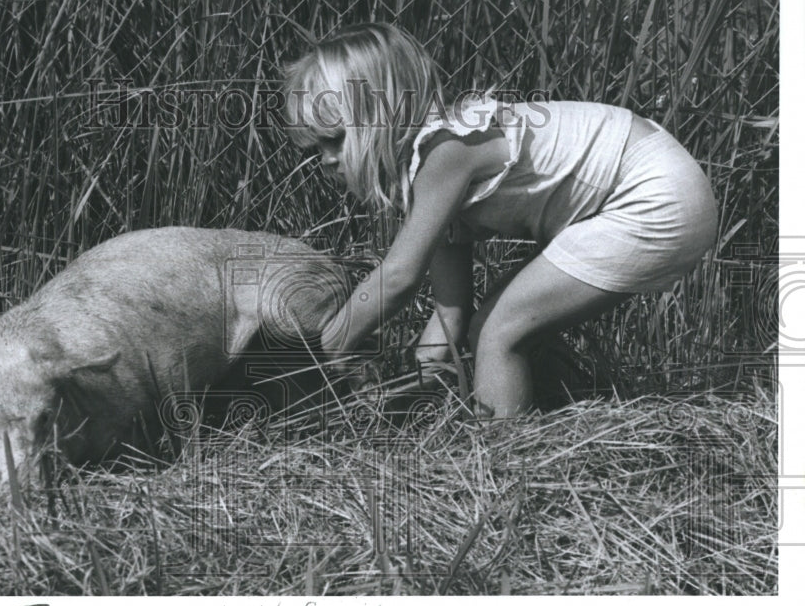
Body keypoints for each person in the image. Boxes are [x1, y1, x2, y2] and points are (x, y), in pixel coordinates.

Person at [282, 23, 718, 417]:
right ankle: (551, 408)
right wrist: (415, 385)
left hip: (655, 194)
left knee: (498, 330)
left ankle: (503, 469)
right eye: (315, 149)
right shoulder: (431, 177)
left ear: (379, 117)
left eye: (335, 139)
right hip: (654, 183)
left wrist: (324, 350)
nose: (327, 160)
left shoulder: (446, 153)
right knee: (494, 322)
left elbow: (397, 278)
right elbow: (450, 320)